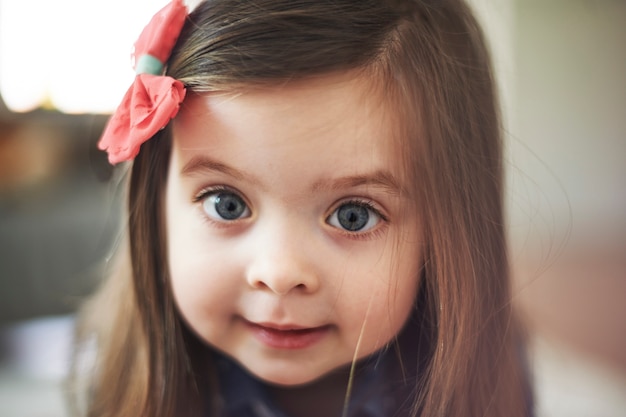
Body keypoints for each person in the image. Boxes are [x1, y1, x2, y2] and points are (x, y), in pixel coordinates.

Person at [70, 0, 533, 416]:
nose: (279, 272)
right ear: (156, 203)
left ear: (446, 229)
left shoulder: (491, 380)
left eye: (353, 214)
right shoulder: (113, 378)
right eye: (227, 204)